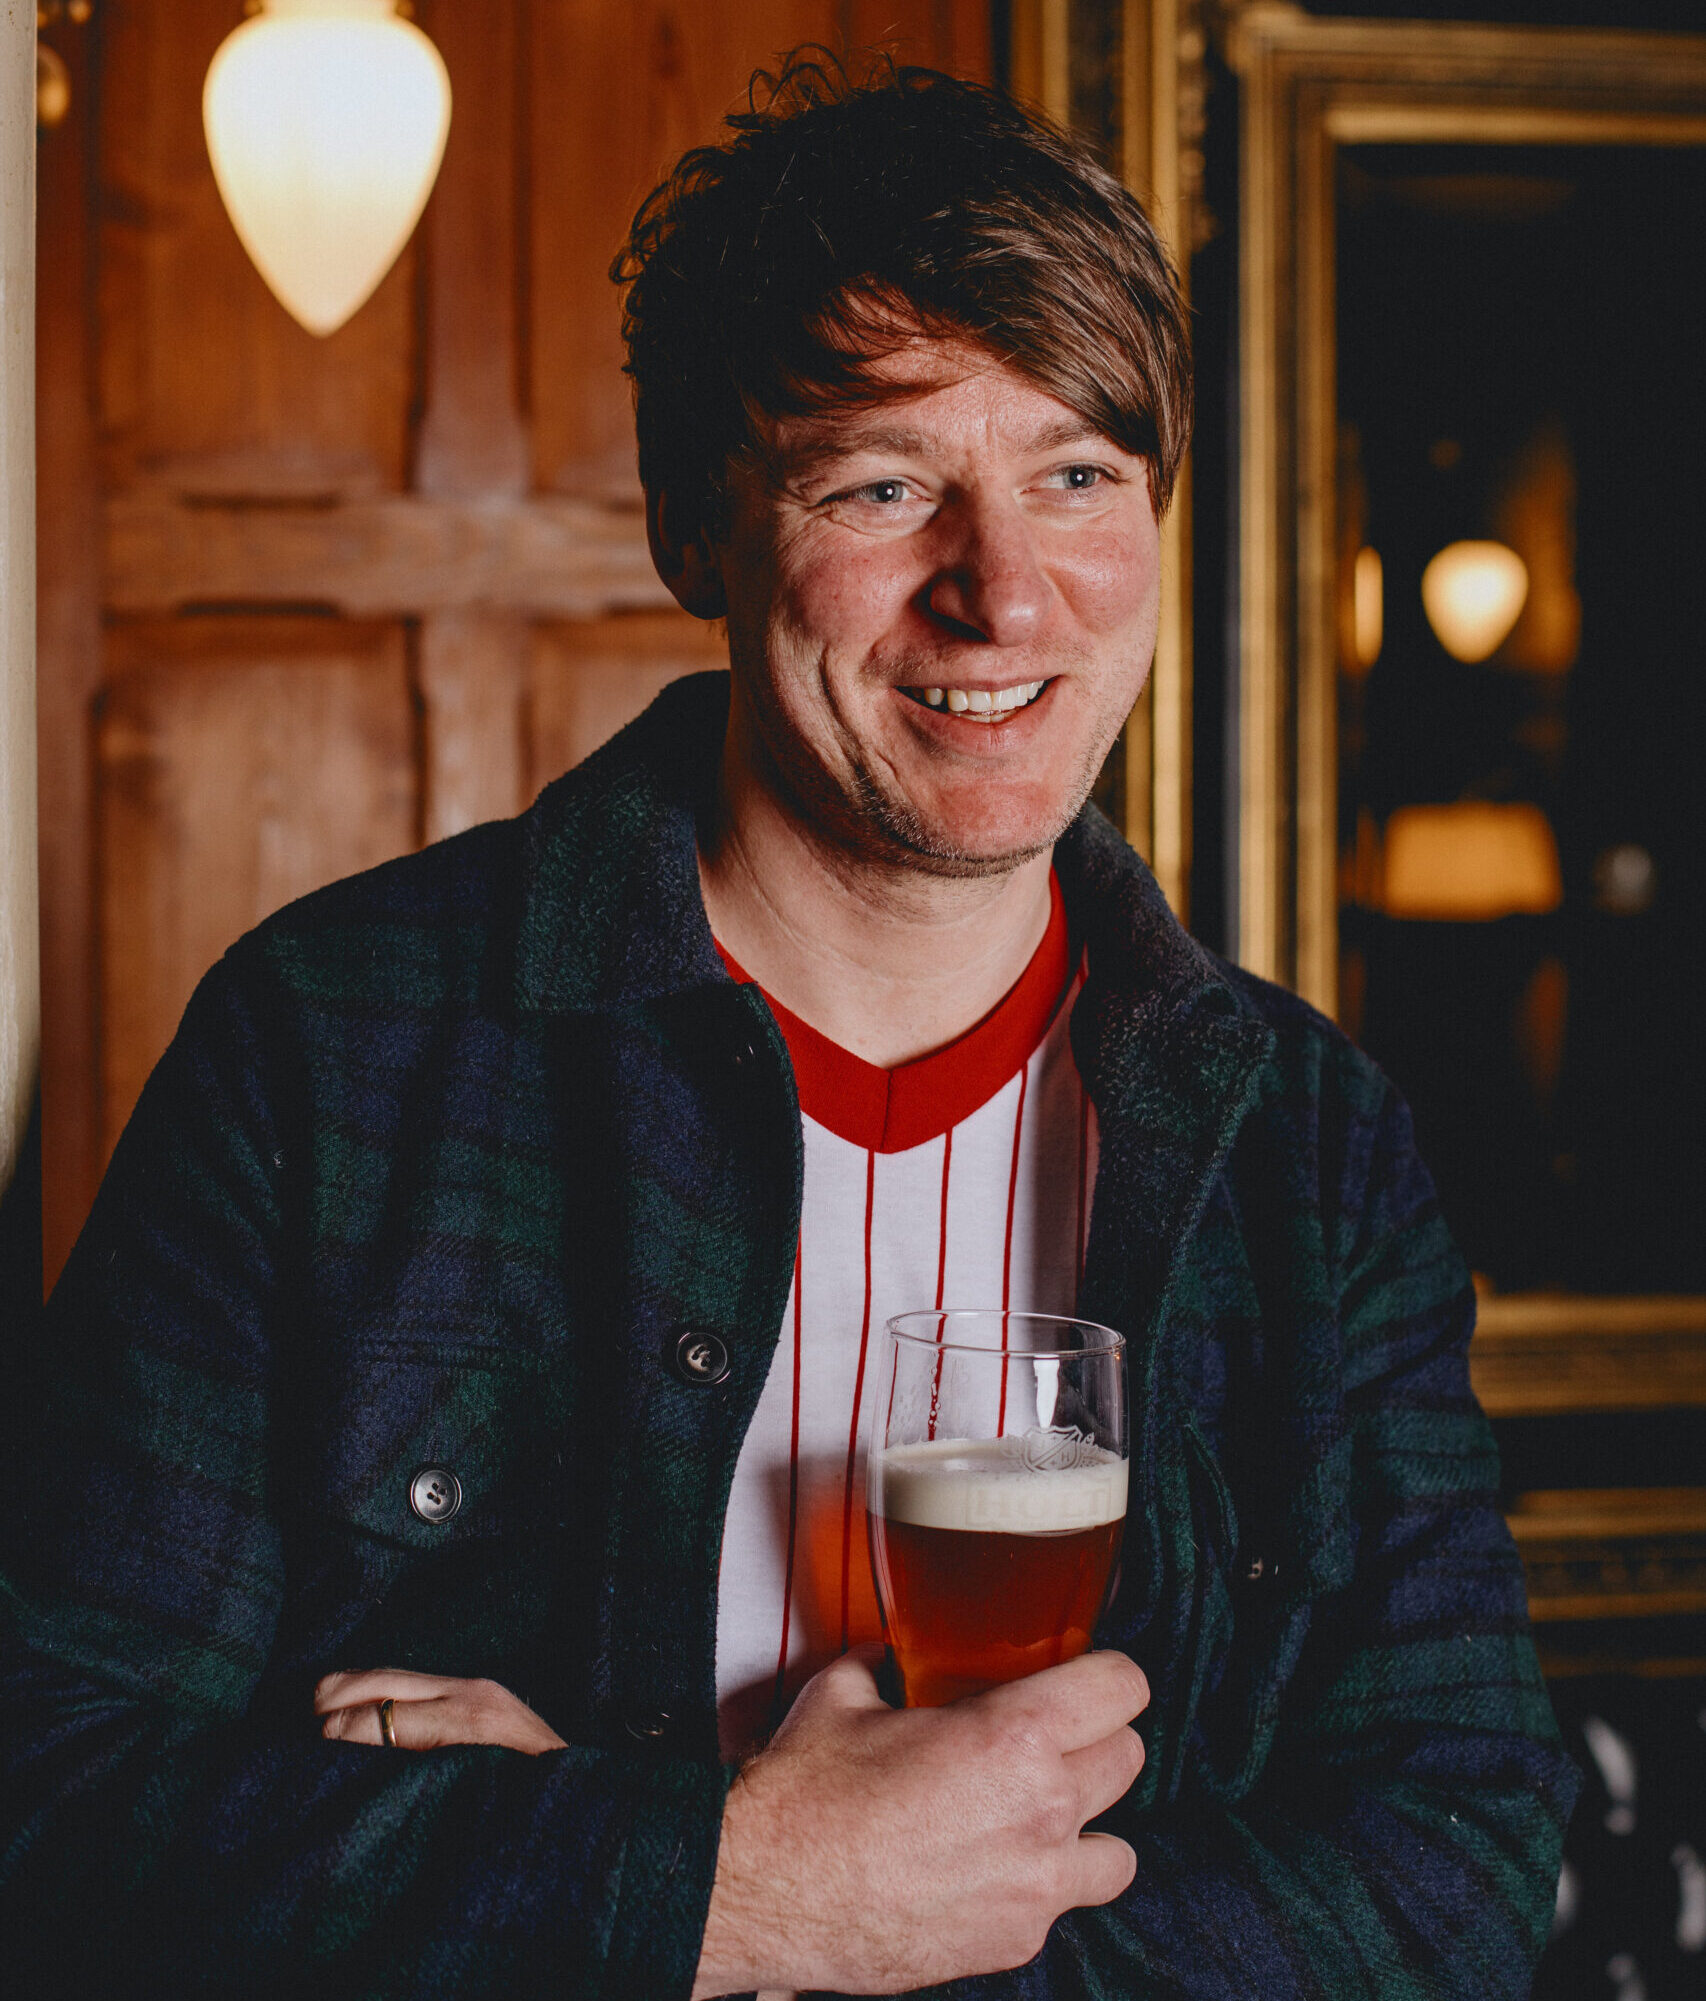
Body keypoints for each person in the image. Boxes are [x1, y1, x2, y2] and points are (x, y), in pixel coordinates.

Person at [0, 54, 1575, 2001]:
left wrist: (767, 1915)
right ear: (696, 528)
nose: (1002, 592)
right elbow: (51, 1805)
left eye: (1077, 473)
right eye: (886, 482)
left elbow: (1464, 1865)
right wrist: (732, 1879)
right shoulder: (335, 1045)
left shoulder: (1308, 1137)